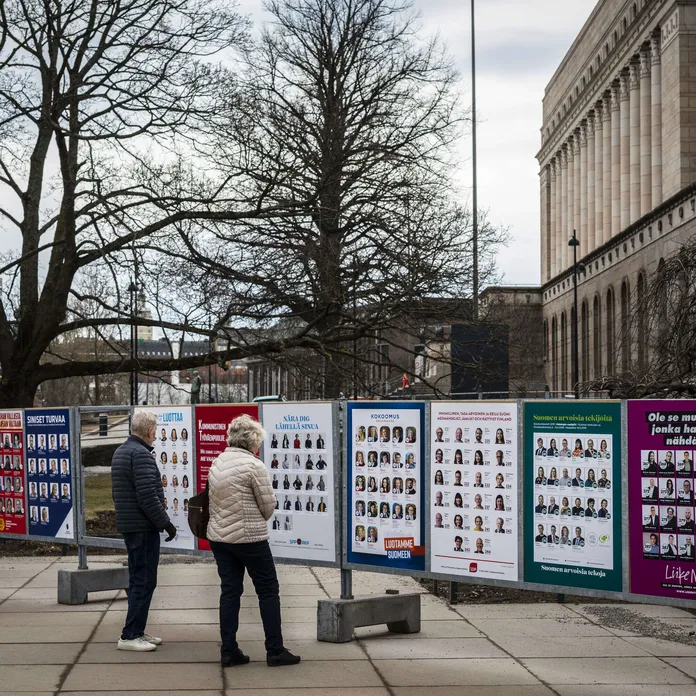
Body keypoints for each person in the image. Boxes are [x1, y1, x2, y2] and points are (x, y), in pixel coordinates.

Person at [208, 414, 299, 667]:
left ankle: (229, 650)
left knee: (230, 591)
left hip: (220, 538)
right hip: (250, 538)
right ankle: (275, 650)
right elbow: (268, 507)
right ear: (252, 442)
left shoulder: (217, 462)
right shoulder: (254, 466)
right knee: (268, 591)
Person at [111, 411, 177, 652]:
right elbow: (148, 496)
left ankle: (137, 630)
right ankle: (129, 636)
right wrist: (166, 523)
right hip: (142, 528)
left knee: (142, 579)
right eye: (155, 430)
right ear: (150, 431)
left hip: (132, 526)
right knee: (144, 581)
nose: (155, 434)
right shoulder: (141, 455)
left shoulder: (121, 451)